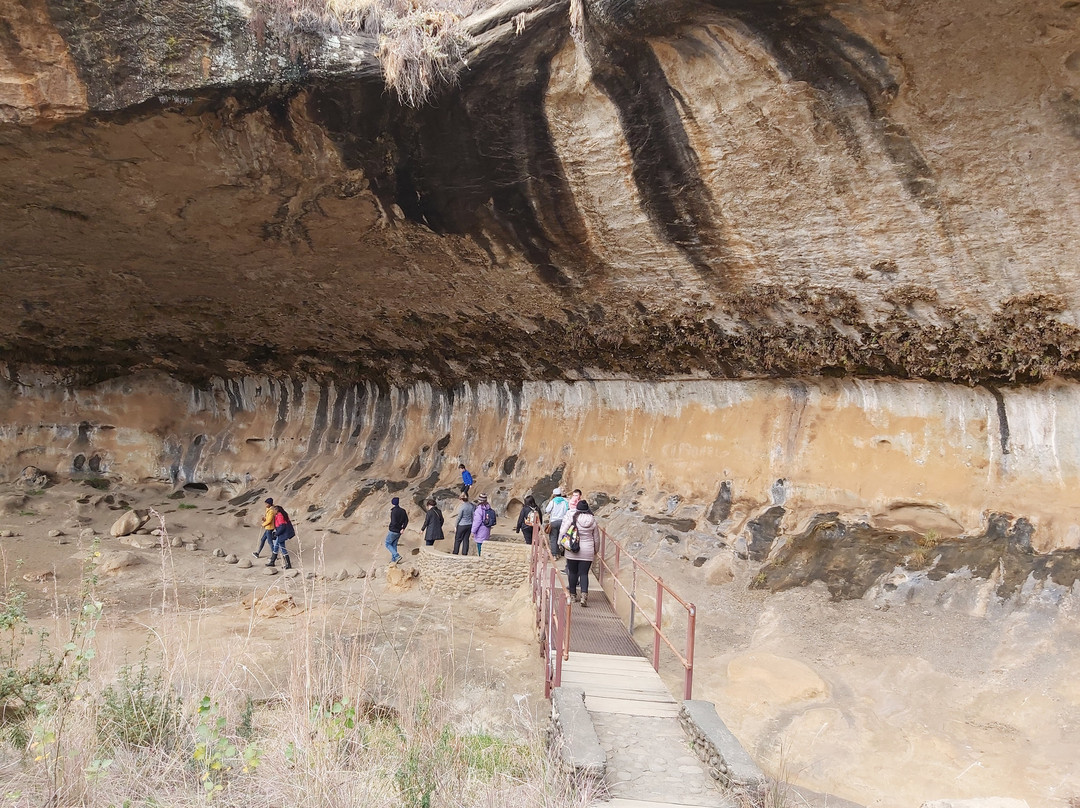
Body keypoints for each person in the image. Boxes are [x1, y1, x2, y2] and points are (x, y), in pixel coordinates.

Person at [560, 500, 599, 607]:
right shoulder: (593, 521)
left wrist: (560, 543)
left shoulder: (573, 518)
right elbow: (596, 538)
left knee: (572, 572)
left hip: (573, 549)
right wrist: (596, 550)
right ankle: (584, 595)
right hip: (588, 551)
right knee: (584, 573)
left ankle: (572, 595)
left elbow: (563, 531)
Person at [265, 504, 294, 570]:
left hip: (281, 534)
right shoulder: (279, 514)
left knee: (282, 548)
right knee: (276, 547)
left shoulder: (280, 515)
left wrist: (276, 533)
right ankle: (272, 562)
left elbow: (282, 526)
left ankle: (288, 564)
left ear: (276, 510)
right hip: (281, 533)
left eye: (273, 510)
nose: (273, 511)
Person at [544, 487, 569, 558]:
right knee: (560, 537)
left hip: (554, 521)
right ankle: (561, 552)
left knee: (553, 538)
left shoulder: (553, 501)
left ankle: (555, 555)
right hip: (563, 522)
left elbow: (547, 510)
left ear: (554, 494)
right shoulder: (565, 501)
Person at [385, 496, 409, 564]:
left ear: (392, 503)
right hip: (399, 531)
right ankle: (394, 560)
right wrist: (403, 528)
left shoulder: (393, 511)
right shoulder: (403, 511)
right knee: (394, 544)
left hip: (393, 530)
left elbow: (394, 522)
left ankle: (396, 556)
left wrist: (398, 528)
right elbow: (406, 520)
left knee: (387, 543)